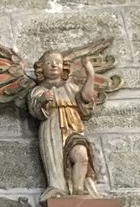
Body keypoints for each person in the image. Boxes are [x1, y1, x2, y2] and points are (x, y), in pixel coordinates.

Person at [29, 51, 101, 199]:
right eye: (49, 63)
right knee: (55, 159)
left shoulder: (71, 87)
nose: (54, 65)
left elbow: (86, 99)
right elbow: (34, 108)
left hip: (74, 126)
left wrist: (90, 74)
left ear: (64, 67)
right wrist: (42, 101)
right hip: (53, 127)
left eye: (58, 62)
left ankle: (79, 189)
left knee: (82, 155)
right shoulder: (39, 90)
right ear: (41, 68)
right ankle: (58, 188)